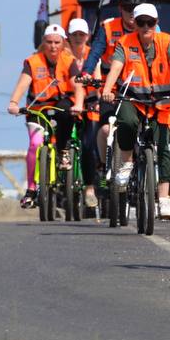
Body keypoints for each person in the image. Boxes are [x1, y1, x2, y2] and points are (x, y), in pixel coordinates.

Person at [101, 3, 170, 212]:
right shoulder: (124, 43)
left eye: (150, 22)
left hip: (161, 101)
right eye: (141, 22)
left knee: (163, 147)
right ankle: (127, 163)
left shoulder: (166, 41)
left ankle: (164, 199)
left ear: (156, 23)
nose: (146, 27)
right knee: (127, 123)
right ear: (135, 24)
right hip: (133, 99)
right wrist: (107, 89)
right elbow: (116, 68)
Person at [6, 24, 85, 209]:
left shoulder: (69, 60)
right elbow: (22, 84)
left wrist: (79, 104)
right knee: (35, 144)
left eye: (57, 42)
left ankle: (63, 150)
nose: (53, 46)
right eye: (49, 42)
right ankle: (31, 190)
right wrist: (14, 103)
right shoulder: (33, 62)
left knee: (67, 115)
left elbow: (77, 85)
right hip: (37, 107)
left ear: (63, 43)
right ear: (44, 43)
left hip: (61, 104)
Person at [81, 0, 145, 190]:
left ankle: (144, 165)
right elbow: (95, 52)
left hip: (139, 88)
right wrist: (86, 71)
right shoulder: (108, 28)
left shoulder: (149, 27)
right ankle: (102, 165)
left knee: (144, 131)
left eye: (136, 8)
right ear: (120, 8)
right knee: (106, 129)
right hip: (112, 89)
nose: (132, 14)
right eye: (128, 8)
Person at [66, 17, 99, 211]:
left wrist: (95, 99)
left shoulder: (92, 55)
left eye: (82, 34)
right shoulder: (63, 54)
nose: (78, 38)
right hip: (68, 102)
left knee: (89, 145)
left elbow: (97, 79)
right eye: (75, 34)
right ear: (68, 37)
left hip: (89, 104)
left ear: (87, 36)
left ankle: (89, 188)